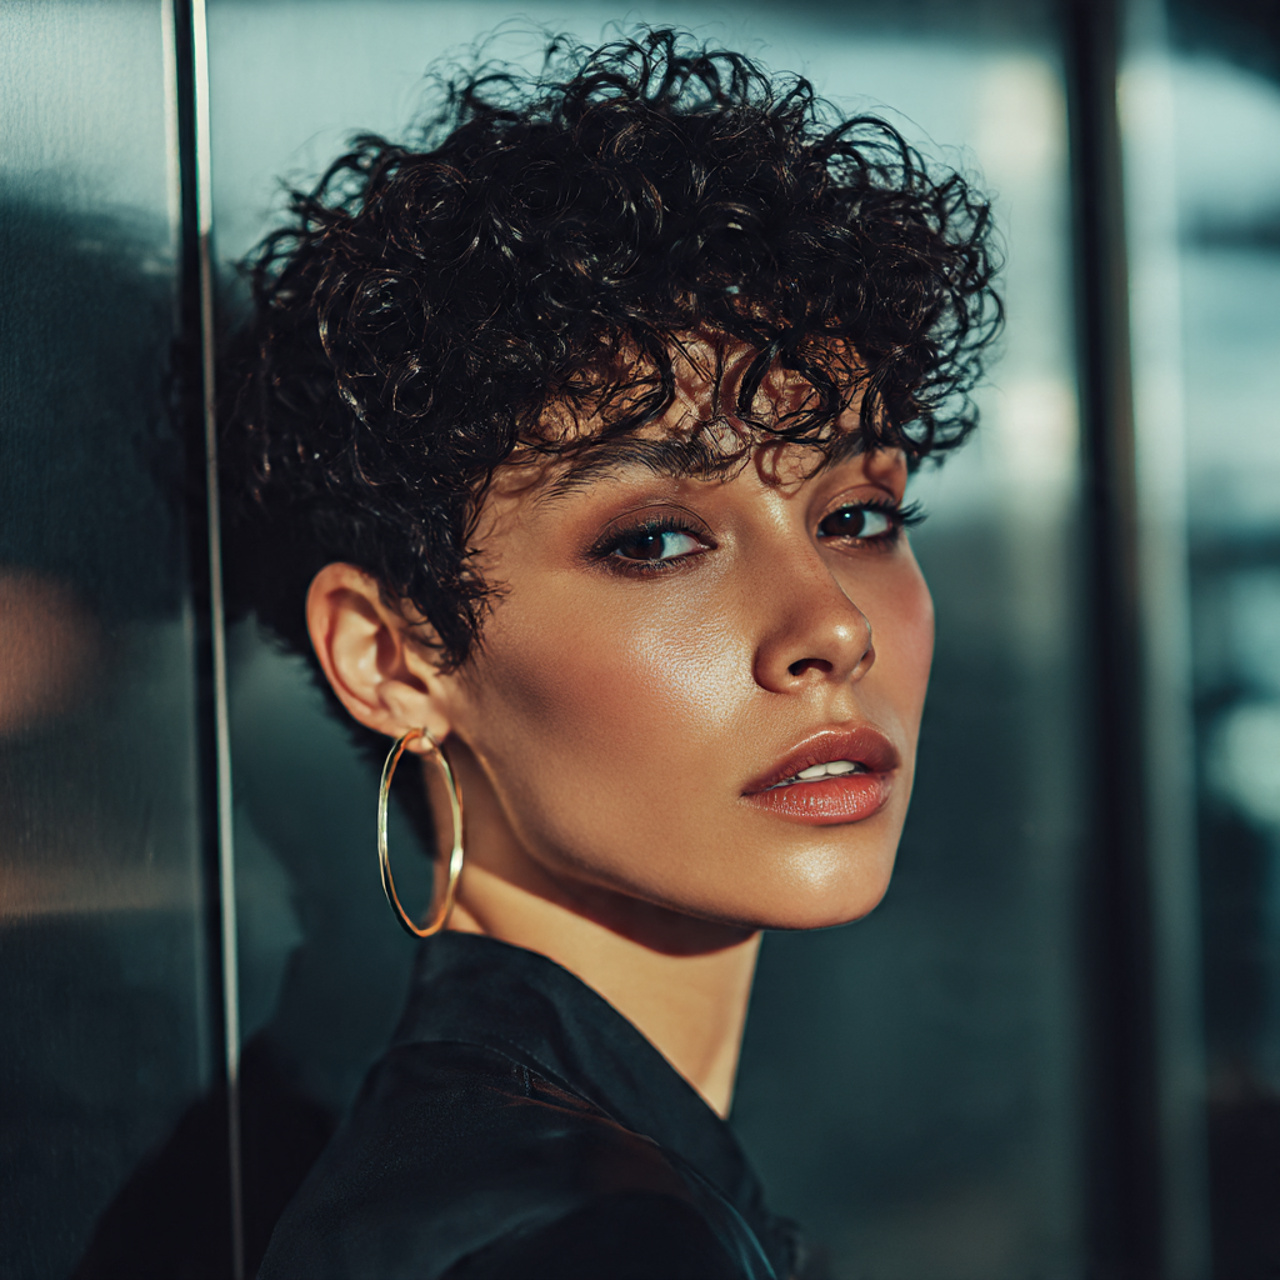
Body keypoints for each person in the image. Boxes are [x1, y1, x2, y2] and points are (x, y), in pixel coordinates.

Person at [222, 27, 1000, 1280]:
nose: (833, 626)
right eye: (656, 540)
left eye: (854, 517)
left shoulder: (550, 1186)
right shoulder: (572, 1234)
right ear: (392, 655)